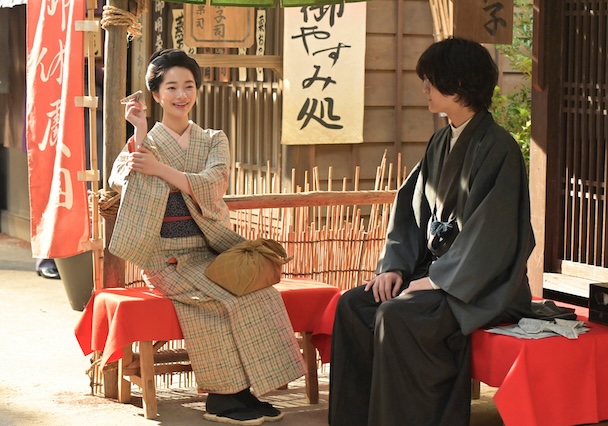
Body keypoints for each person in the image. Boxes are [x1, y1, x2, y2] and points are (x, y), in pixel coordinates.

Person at [328, 37, 541, 426]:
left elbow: (492, 236)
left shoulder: (500, 148)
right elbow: (409, 211)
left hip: (482, 285)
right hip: (438, 273)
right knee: (355, 306)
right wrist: (394, 267)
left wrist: (438, 280)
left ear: (458, 85)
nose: (424, 88)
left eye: (431, 80)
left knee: (398, 315)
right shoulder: (441, 140)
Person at [108, 49, 305, 425]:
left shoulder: (214, 138)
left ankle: (246, 392)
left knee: (260, 293)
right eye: (171, 87)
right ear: (156, 95)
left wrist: (162, 171)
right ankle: (221, 397)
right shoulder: (146, 140)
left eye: (188, 86)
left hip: (210, 249)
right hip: (166, 257)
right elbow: (124, 181)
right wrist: (140, 133)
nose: (181, 94)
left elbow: (215, 182)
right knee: (219, 300)